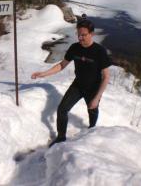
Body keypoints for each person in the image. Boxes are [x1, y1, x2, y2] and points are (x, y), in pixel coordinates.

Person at [31, 14, 111, 147]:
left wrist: (97, 98)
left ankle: (92, 129)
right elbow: (62, 65)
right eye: (78, 34)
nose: (80, 38)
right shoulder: (75, 47)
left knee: (92, 109)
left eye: (83, 35)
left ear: (91, 34)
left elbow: (106, 76)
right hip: (78, 85)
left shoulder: (99, 51)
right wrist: (43, 74)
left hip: (93, 88)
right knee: (62, 109)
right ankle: (61, 137)